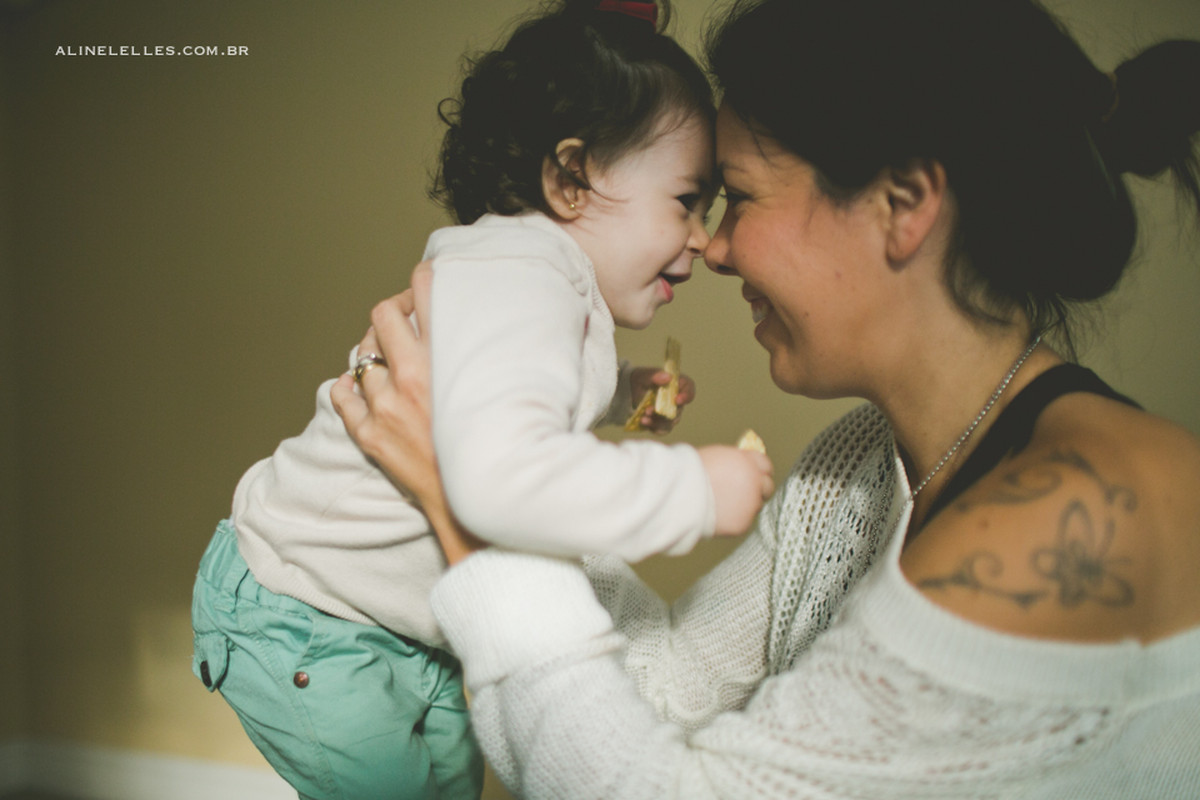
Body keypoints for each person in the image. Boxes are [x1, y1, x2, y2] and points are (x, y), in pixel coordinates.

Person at [332, 0, 1200, 796]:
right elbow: (663, 693)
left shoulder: (1074, 514)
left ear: (902, 204)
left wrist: (473, 503)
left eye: (739, 197)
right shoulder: (854, 466)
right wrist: (515, 457)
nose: (711, 251)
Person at [189, 1, 774, 798]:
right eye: (685, 202)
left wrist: (626, 389)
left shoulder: (539, 277)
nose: (703, 239)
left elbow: (519, 385)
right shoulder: (519, 270)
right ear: (572, 179)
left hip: (392, 625)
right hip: (304, 610)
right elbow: (501, 479)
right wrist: (695, 491)